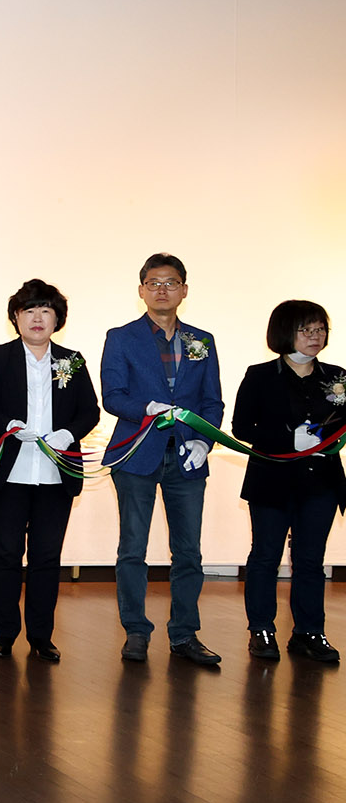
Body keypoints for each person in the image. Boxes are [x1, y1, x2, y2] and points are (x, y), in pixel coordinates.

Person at [100, 253, 223, 666]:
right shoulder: (121, 337)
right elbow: (113, 396)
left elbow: (212, 401)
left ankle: (184, 634)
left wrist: (205, 441)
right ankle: (136, 631)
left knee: (188, 552)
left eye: (170, 283)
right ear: (141, 290)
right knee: (132, 549)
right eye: (153, 283)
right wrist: (146, 409)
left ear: (184, 290)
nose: (162, 290)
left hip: (187, 457)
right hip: (136, 452)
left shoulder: (202, 340)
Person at [0, 279, 99, 661]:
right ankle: (4, 633)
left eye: (46, 310)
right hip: (6, 475)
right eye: (29, 310)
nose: (38, 318)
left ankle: (42, 637)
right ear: (16, 317)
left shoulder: (71, 359)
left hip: (55, 476)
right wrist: (7, 424)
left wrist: (68, 433)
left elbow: (90, 411)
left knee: (46, 557)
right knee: (5, 555)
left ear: (57, 318)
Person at [231, 300, 343, 664]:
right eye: (305, 329)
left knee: (311, 560)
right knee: (265, 557)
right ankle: (262, 629)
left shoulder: (336, 376)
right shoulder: (260, 375)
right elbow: (242, 428)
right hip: (272, 481)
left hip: (321, 483)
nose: (315, 336)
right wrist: (287, 439)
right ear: (284, 332)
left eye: (320, 329)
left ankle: (309, 632)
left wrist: (327, 440)